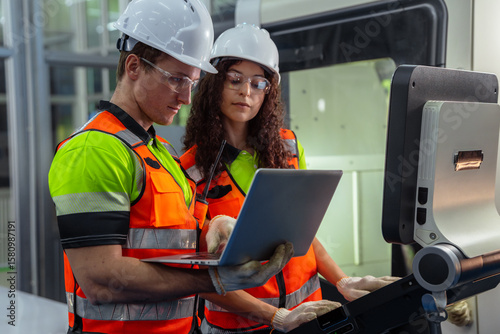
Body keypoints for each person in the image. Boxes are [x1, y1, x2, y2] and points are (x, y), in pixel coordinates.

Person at [47, 2, 298, 333]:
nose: (187, 97)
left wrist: (215, 226)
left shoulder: (160, 153)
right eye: (177, 79)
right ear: (134, 66)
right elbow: (101, 280)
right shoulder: (94, 150)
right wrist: (213, 279)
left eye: (192, 82)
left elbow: (175, 243)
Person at [181, 23, 399, 333]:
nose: (246, 92)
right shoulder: (191, 169)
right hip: (241, 327)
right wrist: (275, 317)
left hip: (309, 316)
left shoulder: (287, 146)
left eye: (258, 83)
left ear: (268, 92)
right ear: (214, 83)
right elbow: (198, 279)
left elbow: (302, 236)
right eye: (235, 80)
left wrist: (343, 281)